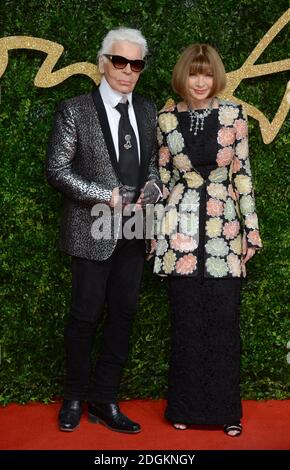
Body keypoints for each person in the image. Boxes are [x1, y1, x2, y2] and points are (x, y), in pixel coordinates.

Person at [46, 27, 162, 433]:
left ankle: (104, 399)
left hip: (134, 229)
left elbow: (151, 167)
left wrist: (153, 190)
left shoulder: (147, 112)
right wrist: (105, 196)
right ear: (102, 62)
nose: (127, 70)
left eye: (136, 64)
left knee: (124, 315)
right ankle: (74, 396)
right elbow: (57, 170)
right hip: (91, 230)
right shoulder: (74, 109)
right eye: (119, 61)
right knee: (84, 316)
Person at [153, 43, 262, 436]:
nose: (200, 82)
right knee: (185, 322)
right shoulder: (166, 120)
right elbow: (163, 180)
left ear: (216, 77)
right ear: (183, 77)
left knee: (222, 321)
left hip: (224, 230)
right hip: (179, 229)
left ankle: (226, 414)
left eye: (207, 74)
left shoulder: (235, 114)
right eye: (193, 74)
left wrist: (251, 230)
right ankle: (184, 408)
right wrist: (154, 234)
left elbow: (243, 175)